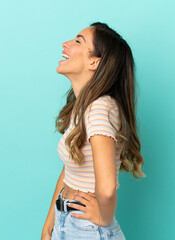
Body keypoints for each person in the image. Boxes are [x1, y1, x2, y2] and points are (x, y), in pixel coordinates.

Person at [41, 22, 146, 240]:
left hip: (86, 230)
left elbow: (107, 189)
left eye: (78, 41)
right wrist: (50, 222)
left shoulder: (99, 109)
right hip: (68, 221)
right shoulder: (84, 108)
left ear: (95, 62)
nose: (66, 44)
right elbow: (69, 171)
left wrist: (104, 218)